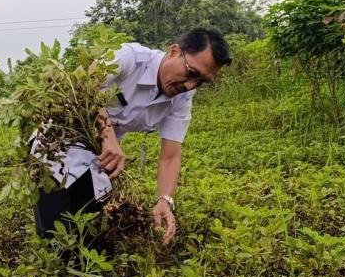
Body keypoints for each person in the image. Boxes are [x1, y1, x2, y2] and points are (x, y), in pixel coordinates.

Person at [34, 27, 231, 245]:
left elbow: (171, 156)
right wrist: (107, 135)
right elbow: (81, 83)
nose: (190, 85)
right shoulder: (129, 57)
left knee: (92, 234)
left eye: (201, 82)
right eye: (192, 73)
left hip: (98, 155)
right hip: (55, 144)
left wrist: (165, 200)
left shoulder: (182, 98)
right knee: (55, 233)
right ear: (174, 51)